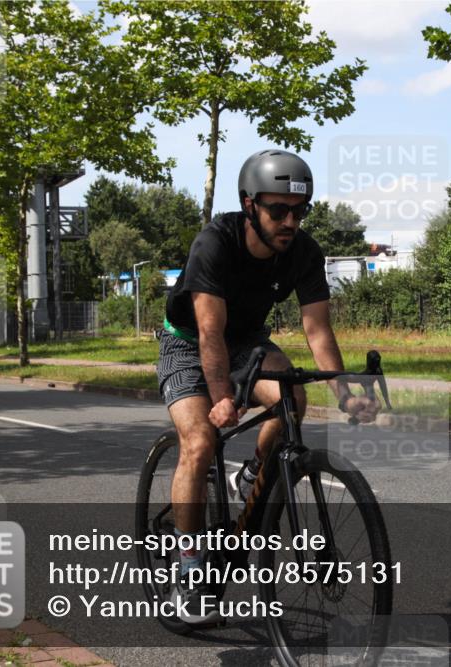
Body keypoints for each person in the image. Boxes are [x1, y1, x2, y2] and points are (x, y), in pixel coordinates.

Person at [157, 149, 379, 623]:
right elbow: (209, 333)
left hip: (247, 342)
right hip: (187, 341)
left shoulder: (303, 252)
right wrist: (221, 401)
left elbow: (317, 330)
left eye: (300, 211)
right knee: (198, 442)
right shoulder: (215, 242)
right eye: (278, 210)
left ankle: (253, 471)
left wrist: (345, 393)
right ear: (249, 204)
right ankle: (189, 568)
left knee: (292, 398)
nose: (290, 221)